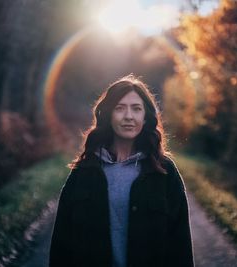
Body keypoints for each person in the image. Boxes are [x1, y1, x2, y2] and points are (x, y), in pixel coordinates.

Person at [49, 74, 195, 267]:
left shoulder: (164, 172)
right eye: (120, 108)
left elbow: (180, 245)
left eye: (136, 109)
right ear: (108, 115)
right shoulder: (84, 171)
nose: (128, 116)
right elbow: (61, 243)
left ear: (145, 117)